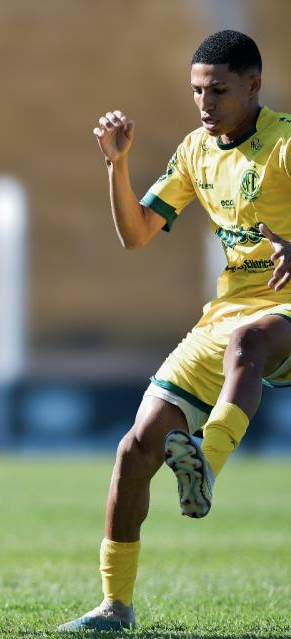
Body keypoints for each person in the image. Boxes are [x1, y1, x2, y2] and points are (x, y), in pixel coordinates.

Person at [60, 30, 291, 632]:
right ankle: (115, 605)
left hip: (282, 314)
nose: (206, 103)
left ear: (254, 86)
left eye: (219, 90)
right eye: (197, 91)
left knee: (250, 342)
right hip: (229, 314)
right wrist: (117, 164)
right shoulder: (195, 151)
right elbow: (135, 233)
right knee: (136, 449)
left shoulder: (286, 143)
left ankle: (207, 467)